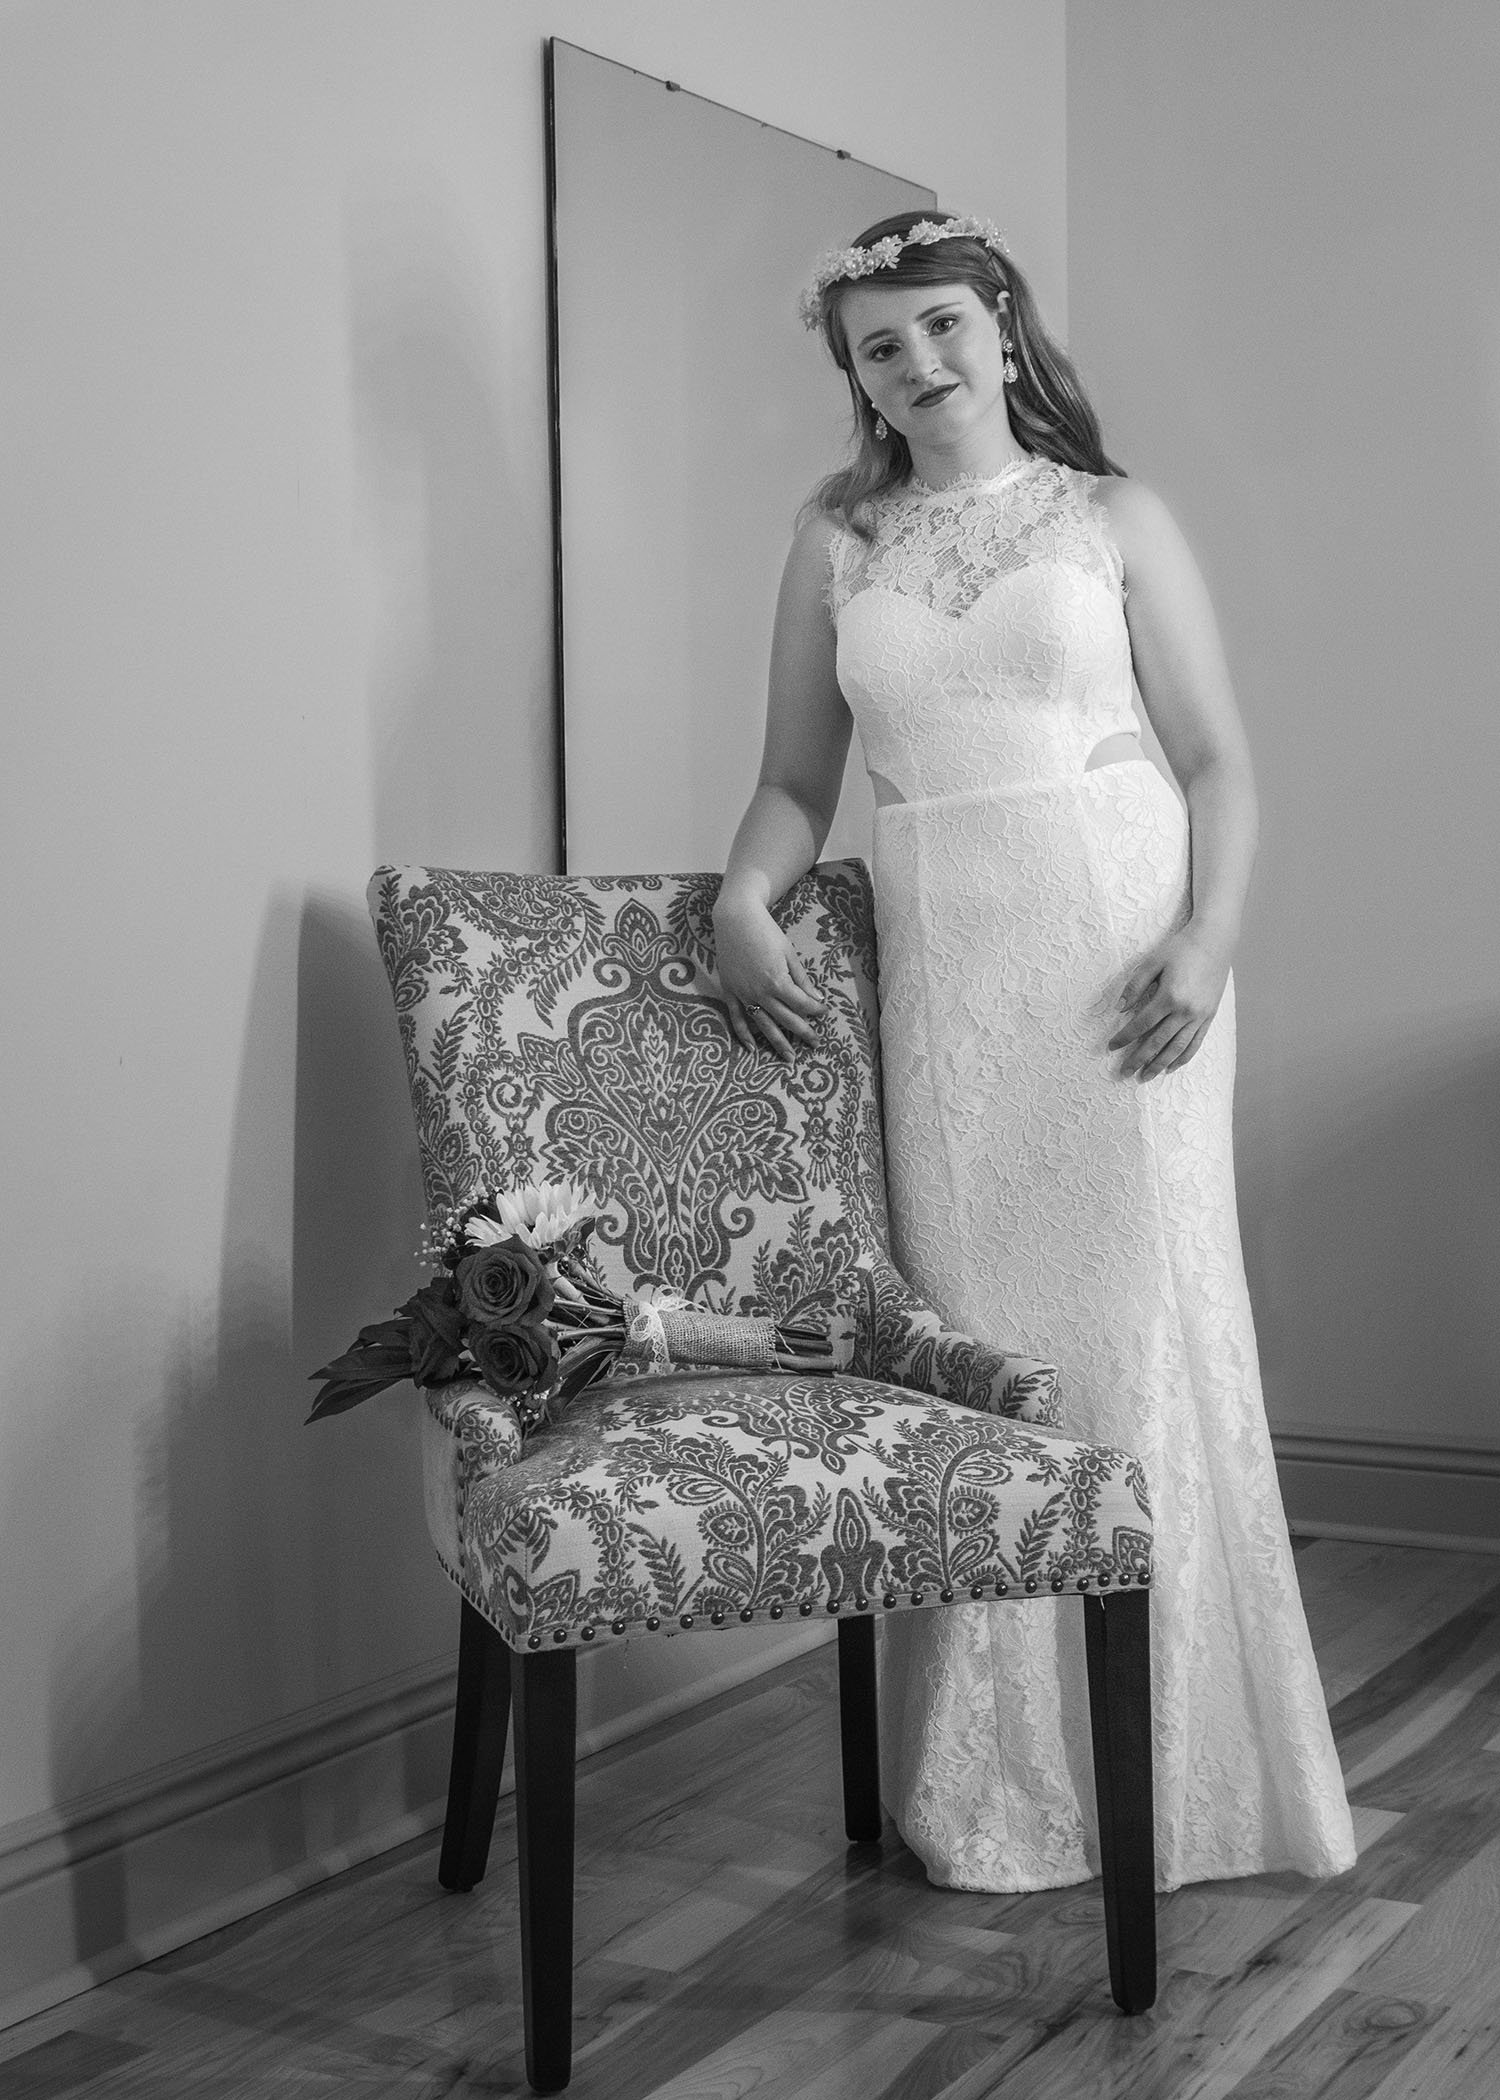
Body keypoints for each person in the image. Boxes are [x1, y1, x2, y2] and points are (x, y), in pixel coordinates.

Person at [712, 212, 1355, 1892]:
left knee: (1145, 1331)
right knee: (990, 1355)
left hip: (1121, 949)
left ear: (1000, 324)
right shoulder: (837, 541)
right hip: (953, 979)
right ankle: (1009, 1786)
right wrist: (742, 894)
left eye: (941, 327)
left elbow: (1217, 760)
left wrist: (1208, 943)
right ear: (852, 374)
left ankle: (1195, 1780)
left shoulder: (1110, 514)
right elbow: (796, 777)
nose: (918, 367)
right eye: (878, 347)